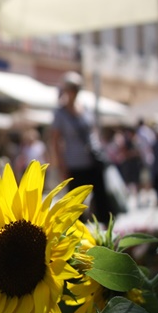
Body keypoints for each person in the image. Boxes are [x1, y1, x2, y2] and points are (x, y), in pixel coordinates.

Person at [50, 71, 111, 224]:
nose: (74, 91)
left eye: (77, 88)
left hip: (93, 160)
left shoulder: (85, 108)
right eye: (71, 88)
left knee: (101, 198)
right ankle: (78, 235)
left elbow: (93, 132)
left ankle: (104, 229)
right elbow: (56, 141)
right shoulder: (60, 114)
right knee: (76, 203)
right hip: (74, 164)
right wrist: (61, 166)